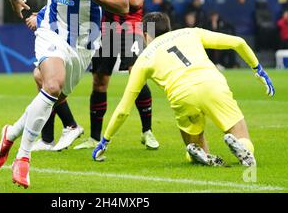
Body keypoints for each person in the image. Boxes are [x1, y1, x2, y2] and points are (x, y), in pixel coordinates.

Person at [0, 0, 129, 188]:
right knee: (51, 85)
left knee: (51, 91)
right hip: (52, 30)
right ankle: (23, 158)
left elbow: (124, 5)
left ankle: (11, 133)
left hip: (85, 41)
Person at [92, 12, 275, 167]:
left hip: (182, 96)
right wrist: (258, 69)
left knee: (193, 144)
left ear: (145, 33)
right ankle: (242, 146)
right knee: (241, 135)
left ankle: (198, 153)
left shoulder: (144, 59)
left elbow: (124, 108)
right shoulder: (190, 33)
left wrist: (105, 140)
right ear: (168, 27)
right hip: (212, 84)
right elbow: (238, 42)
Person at [74, 0, 157, 150]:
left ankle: (147, 131)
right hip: (104, 29)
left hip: (130, 28)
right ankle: (93, 137)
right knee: (99, 82)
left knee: (136, 76)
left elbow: (137, 2)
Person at [27, 0, 106, 152]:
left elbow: (80, 4)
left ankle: (90, 133)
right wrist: (42, 15)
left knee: (103, 83)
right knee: (43, 78)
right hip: (67, 31)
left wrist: (41, 16)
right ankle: (52, 136)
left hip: (91, 34)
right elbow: (62, 0)